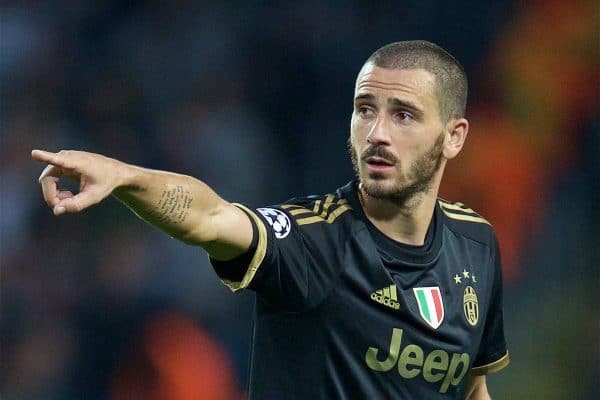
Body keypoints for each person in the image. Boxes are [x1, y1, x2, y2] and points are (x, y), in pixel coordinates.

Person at [32, 40, 509, 399]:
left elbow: (472, 388)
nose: (377, 133)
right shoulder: (313, 241)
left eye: (403, 115)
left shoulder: (477, 245)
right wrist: (125, 176)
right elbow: (211, 216)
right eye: (365, 109)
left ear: (454, 136)